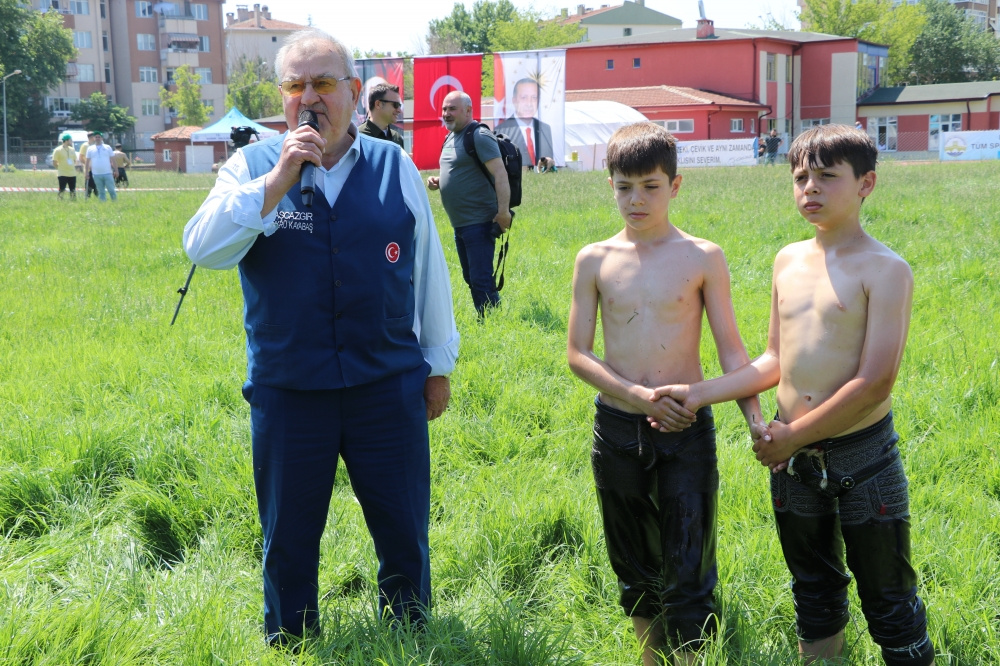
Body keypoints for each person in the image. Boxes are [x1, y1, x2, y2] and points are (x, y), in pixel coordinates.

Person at [183, 28, 459, 646]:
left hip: (385, 384)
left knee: (403, 526)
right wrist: (278, 179)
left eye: (323, 83)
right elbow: (202, 248)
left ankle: (410, 633)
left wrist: (438, 364)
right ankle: (292, 641)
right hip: (290, 389)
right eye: (295, 85)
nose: (309, 97)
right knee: (288, 534)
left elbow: (427, 270)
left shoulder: (392, 165)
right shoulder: (252, 166)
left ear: (353, 92)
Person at [650, 124, 935, 665]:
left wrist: (792, 436)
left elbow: (876, 381)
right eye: (801, 177)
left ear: (866, 183)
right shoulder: (787, 259)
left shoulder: (886, 269)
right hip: (793, 464)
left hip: (863, 459)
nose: (811, 188)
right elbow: (773, 361)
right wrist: (696, 393)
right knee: (813, 592)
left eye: (827, 176)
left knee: (889, 597)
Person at [566, 122, 764, 666]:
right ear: (610, 185)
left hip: (686, 428)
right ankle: (651, 658)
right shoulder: (594, 259)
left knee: (689, 559)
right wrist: (636, 395)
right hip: (618, 428)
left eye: (650, 186)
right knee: (632, 559)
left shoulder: (702, 256)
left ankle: (690, 658)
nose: (637, 199)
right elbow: (578, 354)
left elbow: (732, 351)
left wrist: (753, 417)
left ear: (675, 186)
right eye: (624, 187)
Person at [426, 90, 511, 317]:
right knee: (470, 277)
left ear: (468, 110)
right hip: (461, 224)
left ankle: (492, 324)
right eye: (444, 109)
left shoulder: (479, 136)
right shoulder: (451, 137)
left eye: (452, 109)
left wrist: (503, 212)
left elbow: (500, 174)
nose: (446, 113)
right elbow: (460, 170)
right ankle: (491, 318)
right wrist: (439, 181)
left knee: (480, 278)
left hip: (479, 221)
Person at [495, 78, 553, 169]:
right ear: (514, 101)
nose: (529, 103)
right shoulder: (501, 131)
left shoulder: (545, 129)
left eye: (534, 98)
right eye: (524, 98)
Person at [358, 82, 404, 149]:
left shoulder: (397, 138)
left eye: (399, 105)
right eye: (395, 105)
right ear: (378, 104)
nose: (399, 110)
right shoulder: (357, 137)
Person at [85, 131, 117, 202]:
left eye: (99, 137)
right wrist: (86, 172)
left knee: (111, 190)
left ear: (102, 138)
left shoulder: (107, 147)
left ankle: (115, 203)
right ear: (94, 138)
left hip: (107, 173)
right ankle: (103, 204)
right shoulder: (90, 149)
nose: (97, 138)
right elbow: (87, 162)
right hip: (96, 174)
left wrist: (116, 170)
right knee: (101, 192)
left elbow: (113, 160)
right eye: (96, 137)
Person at [52, 133, 78, 199]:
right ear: (66, 141)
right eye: (70, 140)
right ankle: (60, 201)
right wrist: (59, 168)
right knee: (62, 189)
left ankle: (73, 201)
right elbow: (54, 162)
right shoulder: (58, 150)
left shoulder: (72, 149)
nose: (71, 141)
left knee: (73, 190)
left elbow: (75, 160)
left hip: (72, 174)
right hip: (62, 174)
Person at [79, 132, 98, 199]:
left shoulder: (96, 145)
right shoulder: (85, 146)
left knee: (97, 186)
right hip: (89, 170)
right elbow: (81, 158)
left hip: (96, 169)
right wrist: (88, 165)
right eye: (95, 136)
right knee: (89, 186)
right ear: (91, 137)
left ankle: (99, 199)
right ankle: (87, 199)